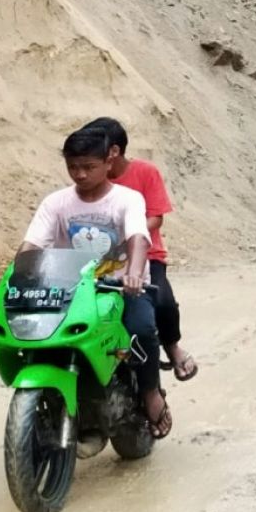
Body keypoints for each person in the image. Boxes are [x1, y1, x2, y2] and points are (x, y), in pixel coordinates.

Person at [19, 127, 172, 438]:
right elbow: (33, 243)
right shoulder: (56, 203)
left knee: (142, 330)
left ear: (107, 162)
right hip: (70, 288)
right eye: (73, 167)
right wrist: (18, 273)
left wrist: (134, 274)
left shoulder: (128, 199)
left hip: (120, 287)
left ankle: (151, 393)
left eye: (88, 167)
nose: (80, 174)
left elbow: (138, 238)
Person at [82, 117, 197, 382]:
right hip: (103, 259)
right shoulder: (89, 180)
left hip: (146, 255)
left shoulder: (145, 173)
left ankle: (172, 348)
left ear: (113, 151)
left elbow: (156, 217)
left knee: (163, 302)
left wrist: (127, 236)